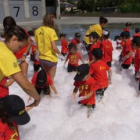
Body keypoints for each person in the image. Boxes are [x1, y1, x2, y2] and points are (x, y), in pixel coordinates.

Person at [0, 25, 40, 105]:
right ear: (14, 39)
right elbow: (26, 86)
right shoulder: (8, 55)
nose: (19, 50)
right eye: (20, 46)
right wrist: (37, 98)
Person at [35, 14, 63, 81]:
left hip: (42, 59)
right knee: (51, 80)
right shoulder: (51, 31)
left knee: (45, 79)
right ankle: (51, 91)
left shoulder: (37, 31)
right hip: (51, 59)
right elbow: (54, 47)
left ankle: (45, 91)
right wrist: (61, 55)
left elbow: (37, 46)